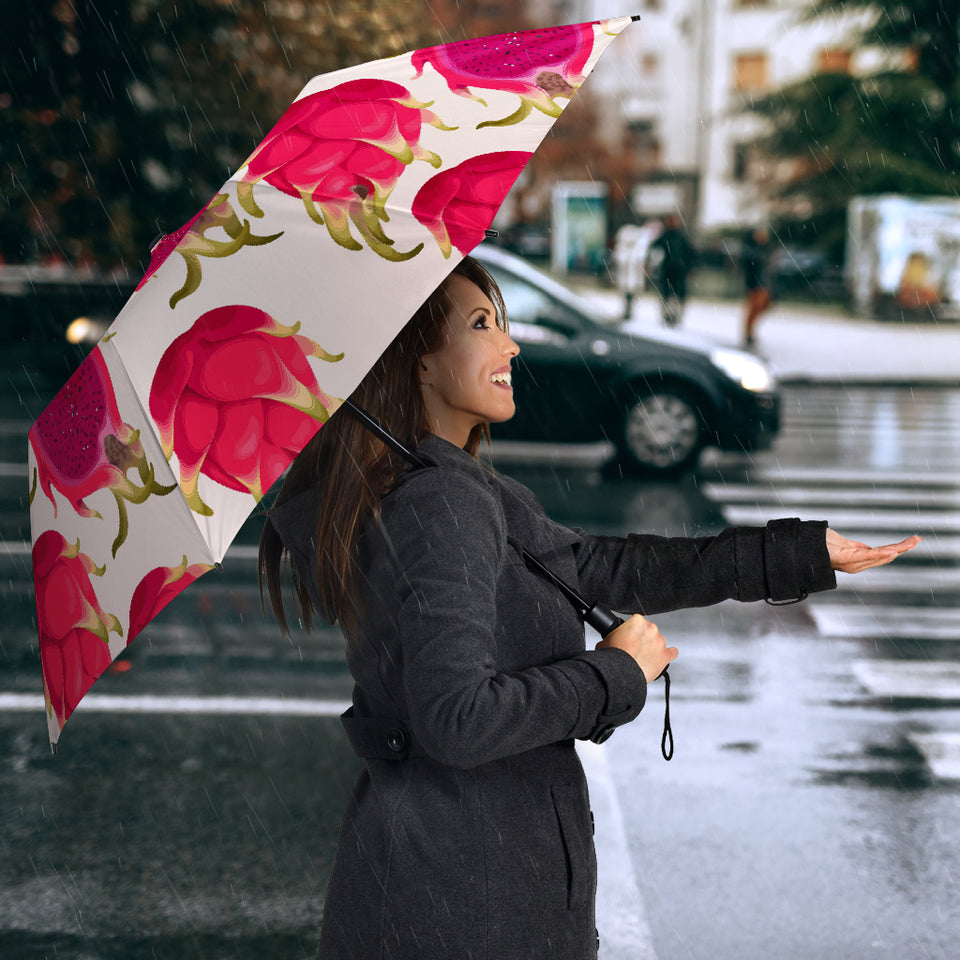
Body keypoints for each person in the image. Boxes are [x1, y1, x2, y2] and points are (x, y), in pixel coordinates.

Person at [258, 256, 919, 960]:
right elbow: (456, 719)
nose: (510, 345)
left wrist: (796, 554)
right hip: (466, 902)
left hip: (454, 883)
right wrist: (614, 673)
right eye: (482, 325)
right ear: (416, 362)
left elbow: (603, 567)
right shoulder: (440, 504)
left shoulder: (448, 488)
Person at [648, 213, 695, 327]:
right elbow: (654, 249)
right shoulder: (665, 236)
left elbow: (690, 253)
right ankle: (667, 315)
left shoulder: (681, 237)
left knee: (677, 295)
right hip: (668, 270)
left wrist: (690, 267)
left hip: (679, 271)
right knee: (667, 294)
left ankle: (675, 316)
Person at [741, 226, 773, 347]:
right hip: (755, 284)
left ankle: (750, 331)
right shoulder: (751, 250)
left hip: (763, 283)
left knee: (762, 306)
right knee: (754, 308)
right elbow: (750, 265)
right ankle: (748, 333)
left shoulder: (763, 249)